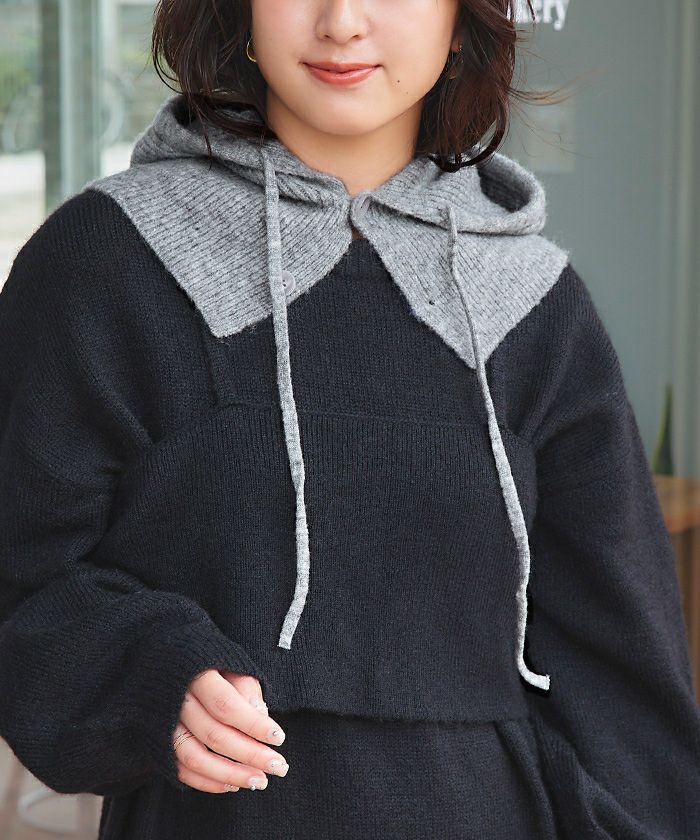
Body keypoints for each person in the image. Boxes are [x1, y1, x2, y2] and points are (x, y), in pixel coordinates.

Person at [1, 0, 699, 837]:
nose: (342, 21)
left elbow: (624, 686)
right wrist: (144, 672)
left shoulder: (536, 306)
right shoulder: (107, 262)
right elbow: (22, 578)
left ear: (461, 19)